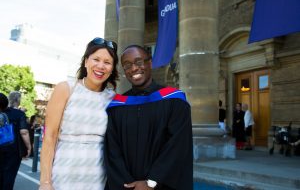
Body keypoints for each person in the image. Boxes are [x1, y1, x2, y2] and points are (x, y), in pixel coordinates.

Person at [104, 45, 193, 190]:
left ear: (149, 63)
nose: (133, 69)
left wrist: (152, 182)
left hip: (161, 185)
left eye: (139, 62)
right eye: (127, 65)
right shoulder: (118, 106)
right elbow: (112, 150)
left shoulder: (174, 101)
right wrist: (127, 184)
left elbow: (178, 146)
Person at [39, 37, 118, 190]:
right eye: (96, 59)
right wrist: (45, 182)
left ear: (112, 68)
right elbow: (50, 137)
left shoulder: (113, 98)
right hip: (63, 174)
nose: (101, 66)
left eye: (107, 62)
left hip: (98, 178)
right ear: (86, 61)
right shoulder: (66, 89)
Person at [0, 92, 31, 190]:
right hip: (13, 149)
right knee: (9, 175)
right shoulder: (19, 114)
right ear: (18, 100)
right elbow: (24, 132)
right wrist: (29, 147)